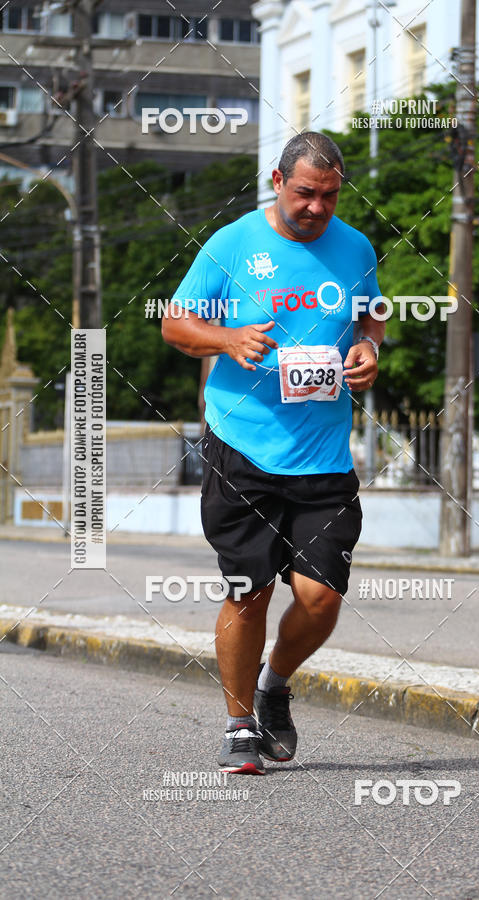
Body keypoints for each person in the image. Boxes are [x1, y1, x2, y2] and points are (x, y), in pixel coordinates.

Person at [162, 132, 385, 774]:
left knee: (320, 599)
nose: (317, 208)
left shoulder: (355, 247)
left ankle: (274, 685)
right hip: (243, 448)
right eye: (306, 193)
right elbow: (175, 323)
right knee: (249, 590)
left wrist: (370, 347)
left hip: (323, 457)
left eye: (330, 196)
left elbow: (371, 314)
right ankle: (238, 722)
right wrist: (226, 338)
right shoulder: (232, 244)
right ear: (277, 179)